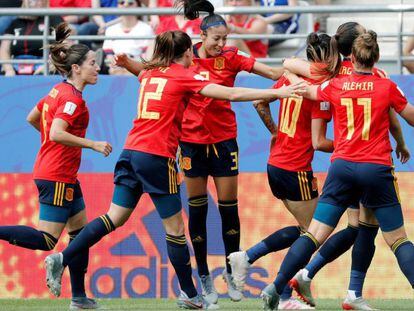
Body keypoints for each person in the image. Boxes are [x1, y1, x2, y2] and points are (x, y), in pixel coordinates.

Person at [43, 30, 306, 309]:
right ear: (186, 54)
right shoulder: (183, 76)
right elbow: (230, 92)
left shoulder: (149, 74)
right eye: (191, 52)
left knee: (114, 217)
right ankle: (191, 296)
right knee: (176, 230)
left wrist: (129, 62)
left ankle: (63, 256)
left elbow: (143, 71)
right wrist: (277, 91)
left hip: (130, 153)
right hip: (157, 157)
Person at [260, 30, 414, 311]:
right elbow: (410, 117)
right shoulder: (386, 84)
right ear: (376, 57)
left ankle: (277, 284)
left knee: (314, 233)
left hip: (342, 168)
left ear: (351, 58)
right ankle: (351, 291)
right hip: (376, 169)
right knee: (398, 239)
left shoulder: (337, 84)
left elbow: (304, 87)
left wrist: (291, 77)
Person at [175, 0, 302, 303]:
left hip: (224, 140)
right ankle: (204, 275)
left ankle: (232, 273)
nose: (221, 44)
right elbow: (155, 71)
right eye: (216, 38)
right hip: (191, 141)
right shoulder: (185, 58)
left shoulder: (232, 56)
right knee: (197, 209)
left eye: (225, 38)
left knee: (228, 207)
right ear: (201, 36)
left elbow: (271, 74)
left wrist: (298, 73)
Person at [0, 22, 111, 310]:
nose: (96, 68)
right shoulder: (73, 99)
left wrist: (51, 145)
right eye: (91, 64)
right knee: (48, 240)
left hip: (60, 173)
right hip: (57, 175)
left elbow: (32, 117)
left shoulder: (56, 91)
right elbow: (58, 131)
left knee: (80, 233)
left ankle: (79, 298)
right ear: (76, 68)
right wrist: (94, 144)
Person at [227, 32, 339, 310]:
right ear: (325, 57)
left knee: (306, 231)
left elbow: (259, 102)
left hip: (275, 163)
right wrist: (349, 144)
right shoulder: (319, 91)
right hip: (296, 167)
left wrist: (276, 132)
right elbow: (319, 142)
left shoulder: (291, 79)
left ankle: (248, 257)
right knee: (314, 234)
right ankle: (284, 296)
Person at [0, 0, 63, 76]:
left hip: (43, 64)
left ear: (45, 2)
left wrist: (48, 65)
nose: (32, 2)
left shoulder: (53, 19)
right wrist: (8, 69)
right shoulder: (16, 22)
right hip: (15, 65)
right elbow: (4, 49)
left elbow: (64, 44)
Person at [102, 0, 154, 75]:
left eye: (130, 3)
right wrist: (116, 66)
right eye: (121, 3)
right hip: (116, 68)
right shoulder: (110, 29)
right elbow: (109, 54)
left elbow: (147, 56)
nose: (125, 5)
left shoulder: (146, 28)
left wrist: (130, 66)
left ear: (138, 7)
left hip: (138, 68)